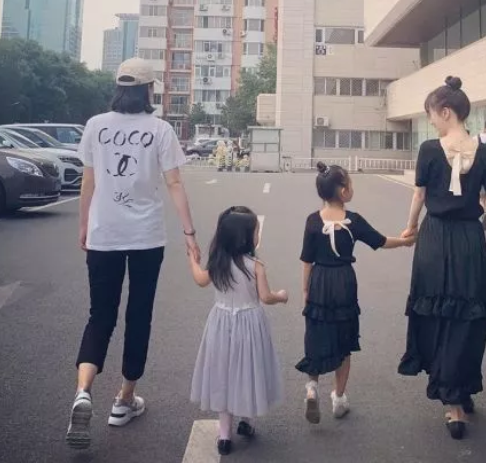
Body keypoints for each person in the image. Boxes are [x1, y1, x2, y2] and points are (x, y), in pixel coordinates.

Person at [66, 58, 201, 450]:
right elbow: (174, 184)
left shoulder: (96, 125)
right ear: (149, 90)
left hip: (103, 235)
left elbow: (88, 182)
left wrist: (84, 225)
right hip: (145, 237)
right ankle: (124, 399)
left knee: (100, 315)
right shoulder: (160, 130)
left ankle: (83, 391)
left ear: (118, 87)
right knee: (138, 314)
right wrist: (189, 233)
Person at [398, 77, 486, 440]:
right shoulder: (484, 154)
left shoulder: (429, 150)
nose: (431, 122)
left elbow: (420, 195)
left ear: (446, 112)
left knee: (439, 314)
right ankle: (458, 388)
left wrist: (410, 228)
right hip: (470, 241)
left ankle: (453, 400)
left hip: (435, 238)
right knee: (467, 315)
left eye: (431, 115)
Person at [297, 162, 414, 424]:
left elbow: (306, 260)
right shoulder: (354, 221)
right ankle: (338, 398)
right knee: (344, 339)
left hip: (319, 281)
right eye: (350, 183)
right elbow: (381, 241)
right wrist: (406, 241)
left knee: (316, 333)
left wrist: (305, 288)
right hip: (344, 282)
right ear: (343, 191)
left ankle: (312, 387)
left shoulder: (313, 221)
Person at [188, 207, 287, 456]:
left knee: (224, 373)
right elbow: (265, 297)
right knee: (249, 369)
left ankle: (224, 435)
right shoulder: (256, 266)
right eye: (255, 231)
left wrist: (192, 259)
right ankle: (247, 421)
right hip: (250, 325)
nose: (257, 235)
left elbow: (200, 279)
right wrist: (281, 296)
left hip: (221, 324)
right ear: (245, 238)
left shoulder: (218, 263)